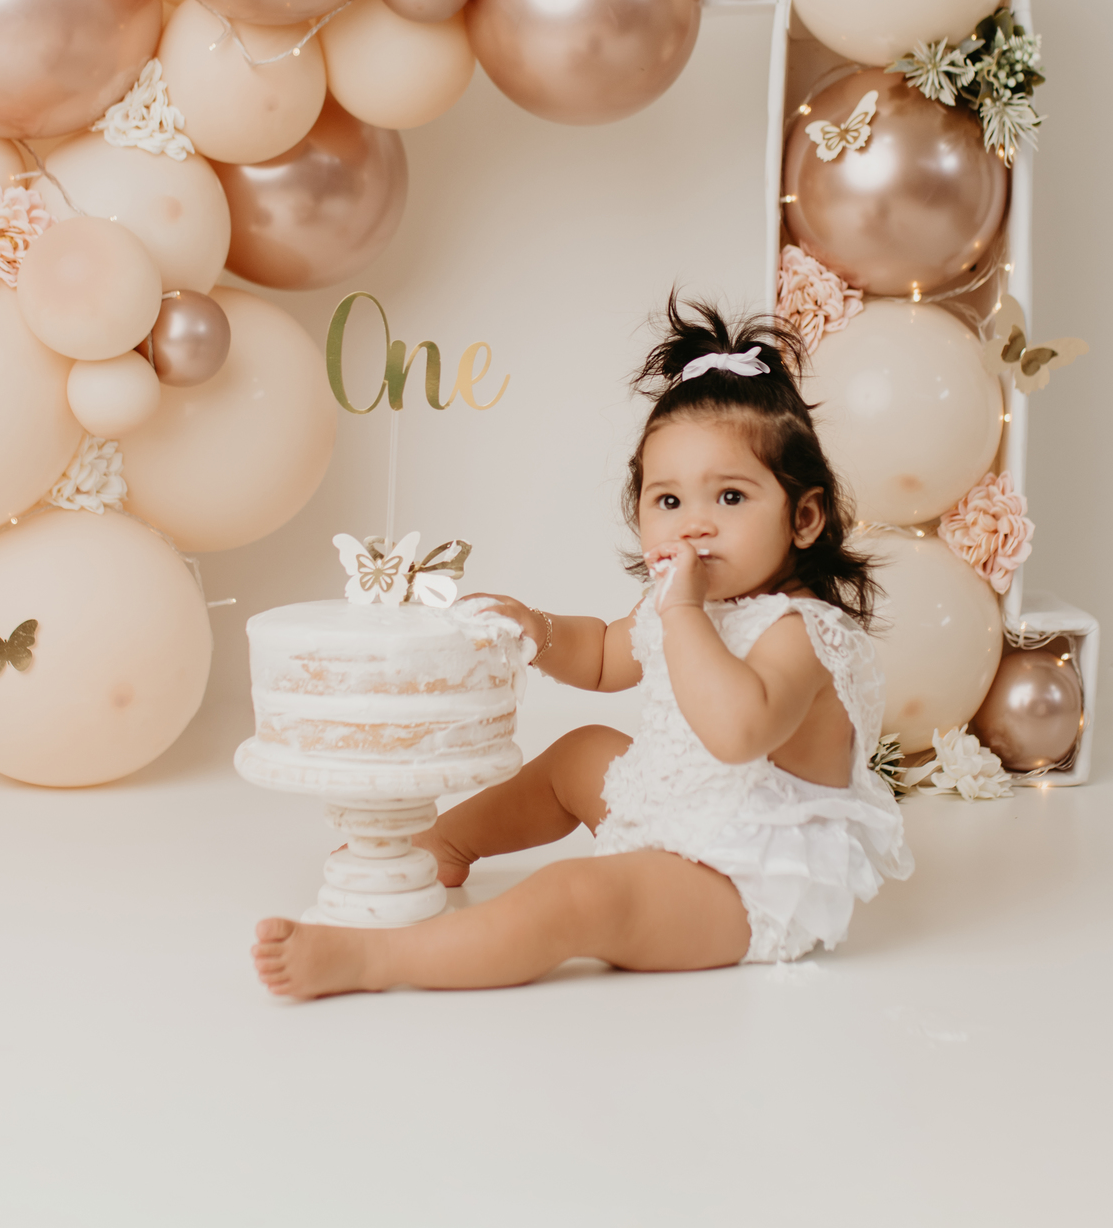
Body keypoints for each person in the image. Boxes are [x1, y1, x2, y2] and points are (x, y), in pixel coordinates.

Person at [253, 295, 912, 1000]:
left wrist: (682, 608)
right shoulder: (679, 603)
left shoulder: (800, 633)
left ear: (804, 517)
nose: (694, 526)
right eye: (668, 502)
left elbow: (737, 731)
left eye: (729, 498)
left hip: (743, 875)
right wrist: (539, 629)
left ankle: (373, 962)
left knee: (577, 897)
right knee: (579, 752)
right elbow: (602, 654)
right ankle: (445, 843)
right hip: (676, 812)